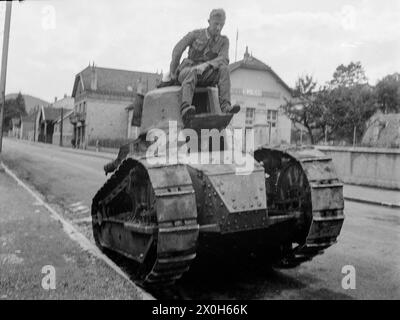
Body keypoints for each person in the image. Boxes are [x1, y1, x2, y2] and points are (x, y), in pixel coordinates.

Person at [169, 8, 240, 124]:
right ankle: (186, 107)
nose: (218, 28)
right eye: (216, 24)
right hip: (187, 71)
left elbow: (224, 58)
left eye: (221, 25)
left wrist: (206, 65)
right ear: (209, 21)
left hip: (206, 73)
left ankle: (226, 106)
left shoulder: (223, 41)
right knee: (193, 71)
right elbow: (177, 50)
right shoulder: (195, 35)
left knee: (224, 69)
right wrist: (173, 72)